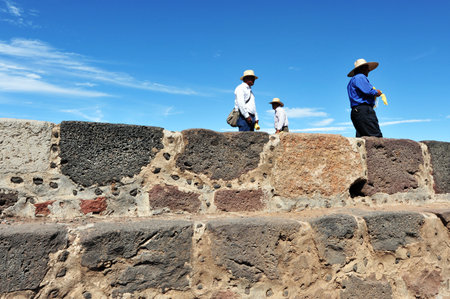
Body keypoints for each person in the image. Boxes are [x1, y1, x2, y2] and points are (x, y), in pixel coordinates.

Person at [347, 58, 383, 137]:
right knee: (375, 136)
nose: (368, 70)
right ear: (362, 68)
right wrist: (377, 92)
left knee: (361, 138)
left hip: (356, 111)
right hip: (364, 110)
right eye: (367, 68)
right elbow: (368, 91)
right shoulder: (360, 77)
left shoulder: (352, 80)